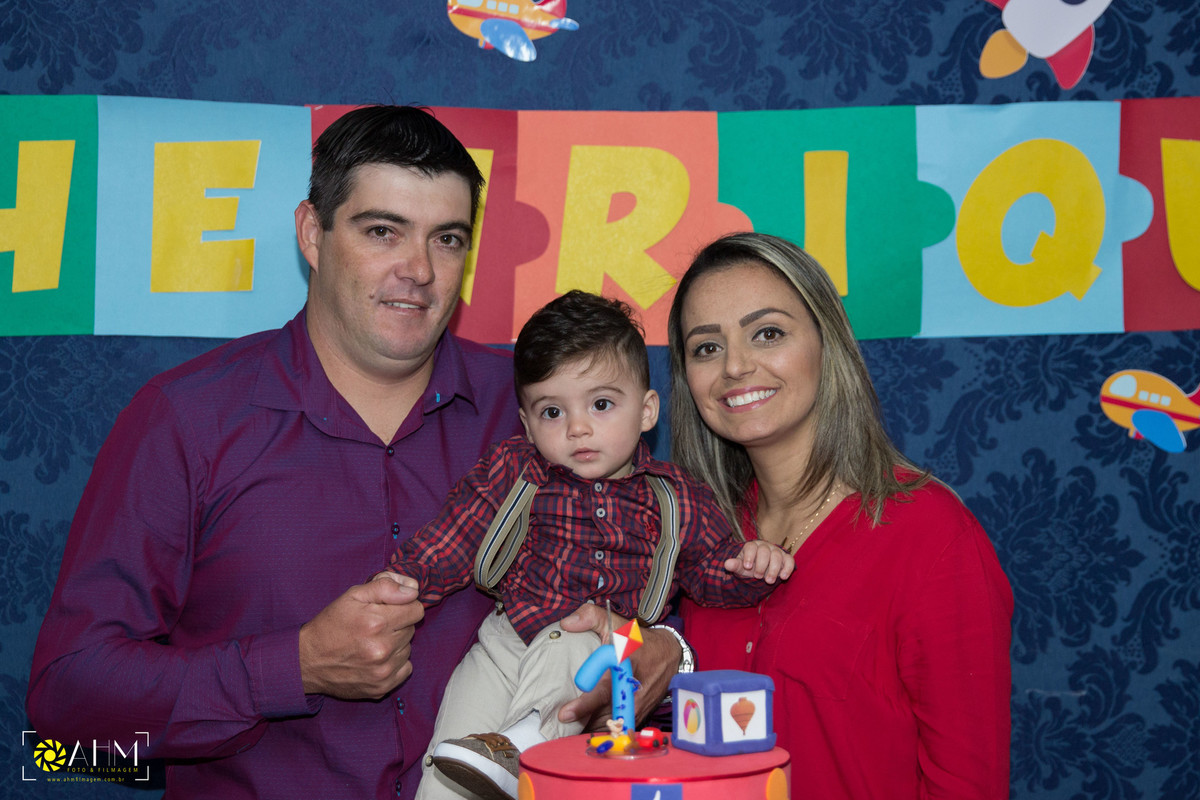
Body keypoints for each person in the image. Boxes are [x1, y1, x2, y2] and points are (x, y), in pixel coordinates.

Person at [24, 105, 678, 800]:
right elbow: (68, 703)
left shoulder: (543, 409)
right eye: (382, 231)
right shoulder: (187, 419)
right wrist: (294, 667)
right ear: (313, 233)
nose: (419, 270)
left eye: (447, 239)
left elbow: (653, 578)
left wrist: (665, 650)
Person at [376, 290, 792, 800]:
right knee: (453, 756)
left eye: (601, 404)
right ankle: (480, 764)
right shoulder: (518, 468)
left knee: (570, 641)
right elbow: (458, 531)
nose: (577, 428)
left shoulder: (676, 496)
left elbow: (708, 573)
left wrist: (749, 568)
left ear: (646, 411)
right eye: (552, 412)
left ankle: (527, 749)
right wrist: (405, 579)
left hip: (611, 644)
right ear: (527, 426)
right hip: (507, 639)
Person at [667, 232, 1014, 799]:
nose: (735, 365)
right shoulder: (698, 534)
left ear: (827, 344)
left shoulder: (931, 534)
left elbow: (967, 784)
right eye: (706, 347)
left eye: (767, 333)